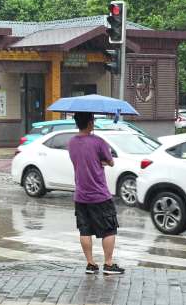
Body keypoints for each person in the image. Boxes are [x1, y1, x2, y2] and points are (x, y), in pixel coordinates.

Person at [68, 112, 124, 275]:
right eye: (93, 120)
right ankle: (108, 264)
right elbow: (111, 162)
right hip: (99, 194)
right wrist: (101, 161)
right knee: (109, 228)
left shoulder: (71, 143)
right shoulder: (98, 141)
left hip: (81, 195)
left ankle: (91, 264)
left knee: (84, 230)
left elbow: (79, 161)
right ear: (90, 122)